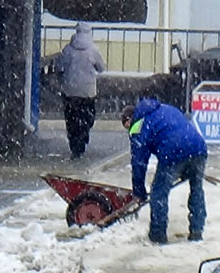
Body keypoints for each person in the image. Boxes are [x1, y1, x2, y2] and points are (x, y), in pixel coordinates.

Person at [121, 98, 207, 244]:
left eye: (126, 126)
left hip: (173, 152)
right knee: (197, 189)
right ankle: (197, 232)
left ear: (129, 119)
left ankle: (158, 235)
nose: (128, 130)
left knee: (158, 192)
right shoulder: (164, 108)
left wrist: (139, 192)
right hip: (198, 148)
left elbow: (139, 163)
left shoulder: (138, 125)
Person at [55, 22, 106, 159]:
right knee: (87, 117)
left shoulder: (68, 49)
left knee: (71, 118)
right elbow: (101, 68)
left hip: (70, 90)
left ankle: (74, 145)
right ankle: (83, 139)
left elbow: (59, 67)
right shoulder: (94, 50)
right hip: (87, 91)